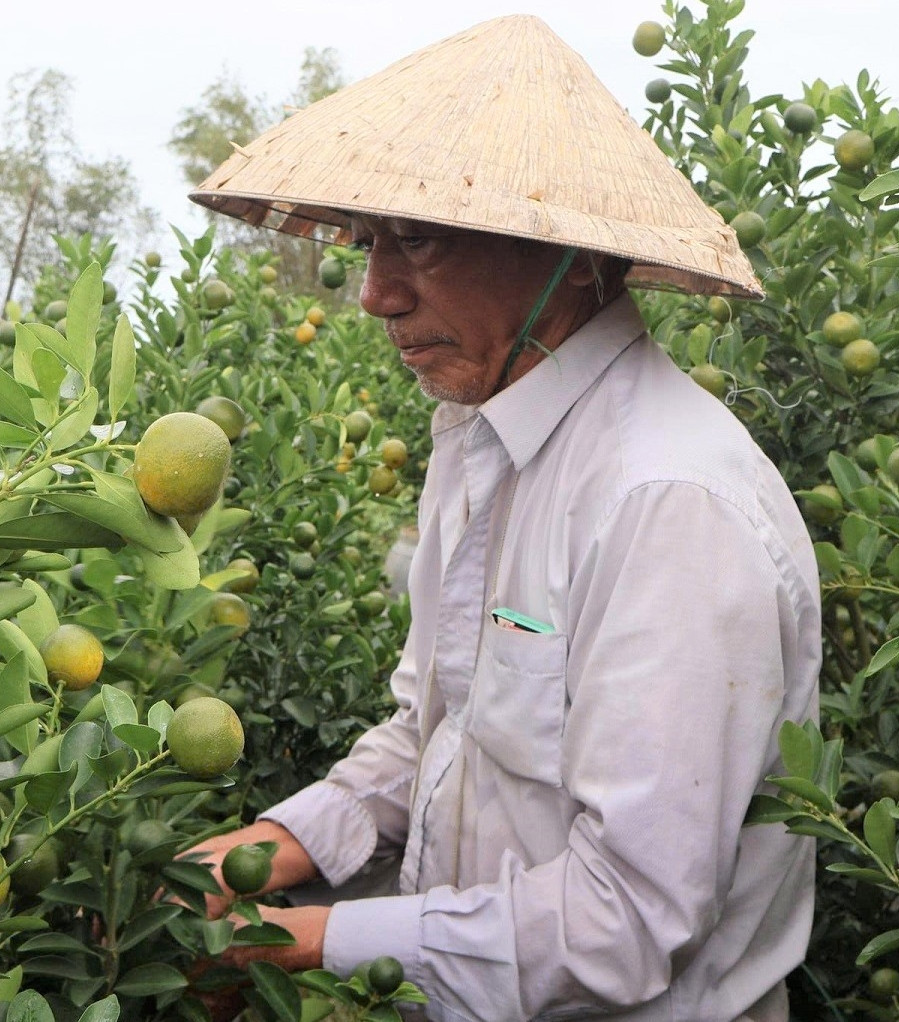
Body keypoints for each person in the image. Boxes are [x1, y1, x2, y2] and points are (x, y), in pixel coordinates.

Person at [181, 15, 821, 1021]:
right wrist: (268, 848)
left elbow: (627, 917)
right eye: (369, 242)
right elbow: (437, 732)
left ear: (567, 255)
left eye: (419, 240)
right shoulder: (478, 439)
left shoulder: (666, 503)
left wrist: (305, 943)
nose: (375, 294)